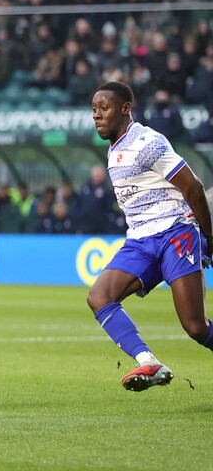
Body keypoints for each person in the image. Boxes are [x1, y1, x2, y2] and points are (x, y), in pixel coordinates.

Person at [87, 81, 213, 392]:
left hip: (175, 234)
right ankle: (149, 361)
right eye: (94, 110)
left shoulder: (146, 142)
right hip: (140, 242)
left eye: (104, 108)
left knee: (196, 327)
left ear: (125, 109)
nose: (97, 115)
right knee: (99, 297)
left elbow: (193, 187)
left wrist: (208, 237)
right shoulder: (115, 149)